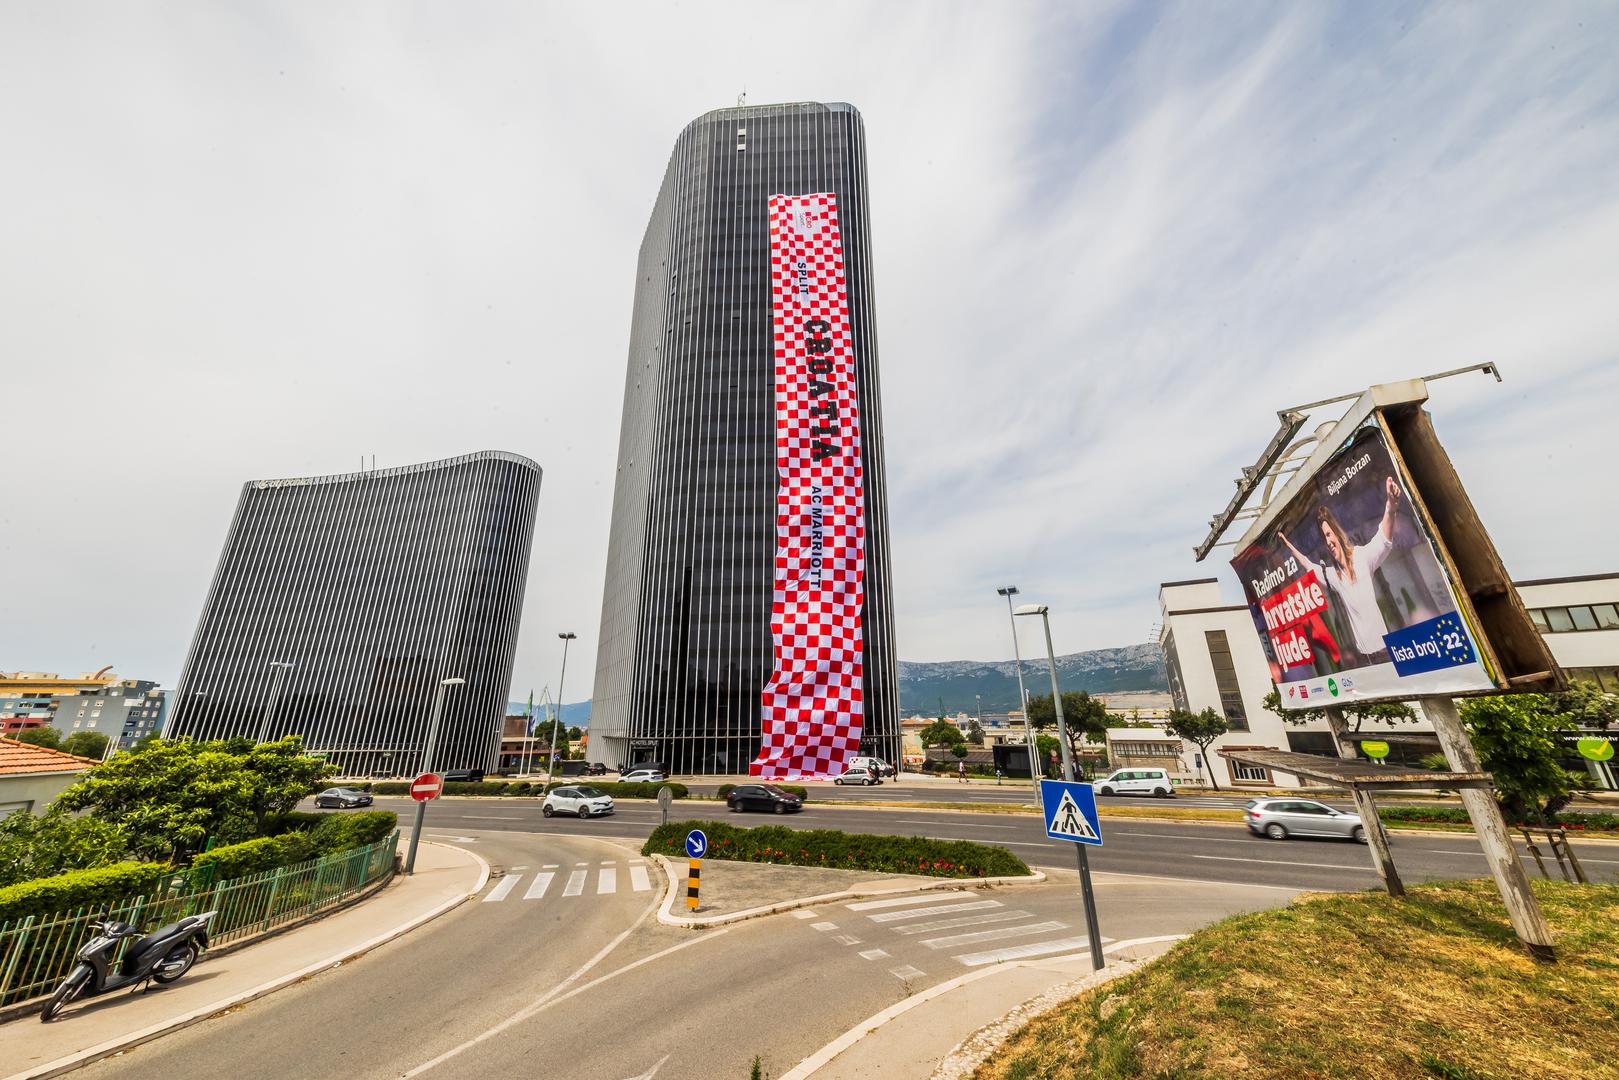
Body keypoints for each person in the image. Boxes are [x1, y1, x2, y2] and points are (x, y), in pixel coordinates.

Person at [1279, 476, 1401, 664]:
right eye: (1324, 538)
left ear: (1337, 533)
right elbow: (1308, 565)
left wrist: (1391, 505)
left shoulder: (1361, 557)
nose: (1328, 542)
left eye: (1329, 535)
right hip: (1364, 658)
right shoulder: (1333, 577)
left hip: (1384, 652)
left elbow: (1383, 538)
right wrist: (1288, 546)